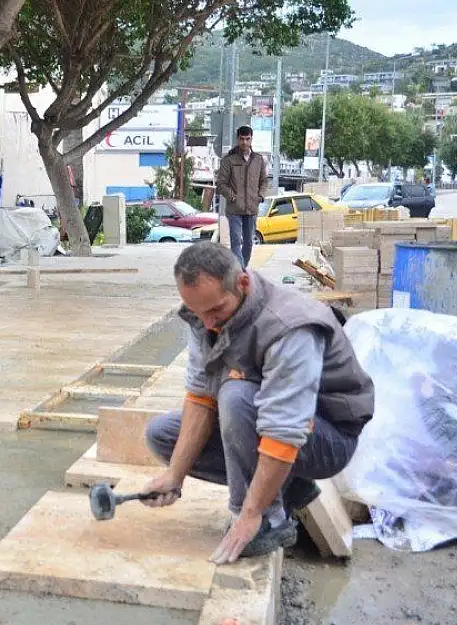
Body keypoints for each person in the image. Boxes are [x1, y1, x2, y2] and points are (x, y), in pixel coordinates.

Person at [141, 242, 375, 564]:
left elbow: (284, 428)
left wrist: (250, 514)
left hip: (327, 436)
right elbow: (200, 395)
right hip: (276, 421)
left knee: (236, 397)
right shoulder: (204, 316)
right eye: (198, 313)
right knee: (162, 434)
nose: (207, 323)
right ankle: (289, 486)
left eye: (215, 311)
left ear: (243, 284)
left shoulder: (289, 326)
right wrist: (174, 476)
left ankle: (269, 522)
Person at [215, 126, 269, 269]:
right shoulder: (229, 160)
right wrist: (232, 196)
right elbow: (220, 184)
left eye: (247, 139)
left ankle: (243, 268)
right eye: (241, 139)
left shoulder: (258, 160)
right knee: (235, 240)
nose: (244, 142)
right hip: (234, 209)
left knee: (249, 243)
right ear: (237, 139)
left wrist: (260, 196)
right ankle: (240, 271)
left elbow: (264, 181)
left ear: (251, 139)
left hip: (252, 208)